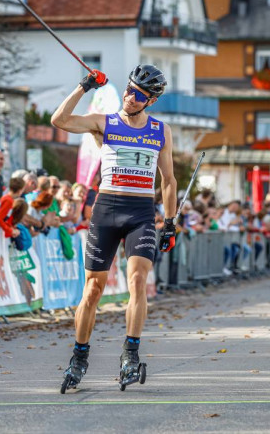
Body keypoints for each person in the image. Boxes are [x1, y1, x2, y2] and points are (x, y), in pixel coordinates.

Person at [51, 64, 176, 393]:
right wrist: (84, 86)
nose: (128, 96)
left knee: (137, 281)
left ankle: (130, 355)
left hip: (141, 213)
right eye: (128, 89)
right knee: (93, 290)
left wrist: (172, 222)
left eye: (137, 94)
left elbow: (169, 181)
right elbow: (59, 121)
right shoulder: (105, 122)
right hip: (107, 210)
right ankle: (79, 358)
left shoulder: (160, 131)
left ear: (150, 101)